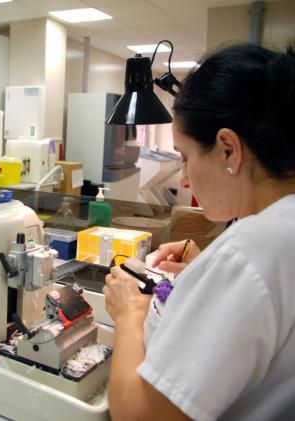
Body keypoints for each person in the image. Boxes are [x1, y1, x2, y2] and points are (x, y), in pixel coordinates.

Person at [103, 43, 295, 421]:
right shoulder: (278, 231)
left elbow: (140, 415)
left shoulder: (253, 248)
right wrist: (207, 269)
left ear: (227, 149)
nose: (186, 177)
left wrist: (129, 314)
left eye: (186, 156)